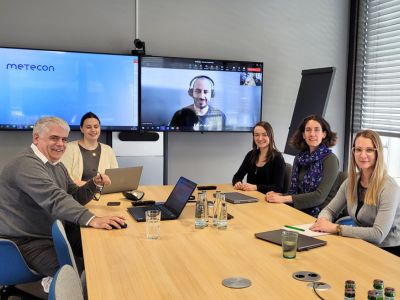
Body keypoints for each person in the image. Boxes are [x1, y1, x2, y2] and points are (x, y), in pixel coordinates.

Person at [0, 116, 126, 279]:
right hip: (24, 242)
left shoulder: (56, 165)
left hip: (50, 233)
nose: (60, 144)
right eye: (54, 138)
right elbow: (55, 198)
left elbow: (73, 196)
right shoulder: (26, 164)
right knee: (81, 274)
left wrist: (93, 184)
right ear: (36, 138)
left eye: (64, 139)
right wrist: (92, 218)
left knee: (102, 253)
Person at [310, 130, 400, 256]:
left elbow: (378, 234)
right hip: (360, 243)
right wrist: (322, 222)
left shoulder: (389, 187)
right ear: (353, 152)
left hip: (387, 251)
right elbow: (329, 210)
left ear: (378, 153)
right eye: (358, 149)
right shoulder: (351, 181)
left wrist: (336, 228)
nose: (363, 155)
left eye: (369, 150)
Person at [265, 115, 339, 217]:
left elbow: (319, 197)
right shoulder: (299, 158)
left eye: (317, 130)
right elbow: (296, 193)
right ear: (303, 135)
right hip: (298, 210)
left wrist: (284, 199)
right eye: (308, 130)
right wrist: (279, 195)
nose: (312, 134)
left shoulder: (331, 159)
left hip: (321, 215)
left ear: (324, 134)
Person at [62, 112, 118, 186]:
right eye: (88, 127)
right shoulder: (69, 148)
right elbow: (64, 178)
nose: (93, 130)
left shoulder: (108, 150)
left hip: (103, 195)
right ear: (81, 129)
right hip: (77, 194)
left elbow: (115, 177)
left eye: (96, 126)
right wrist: (94, 185)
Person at [232, 121, 285, 193]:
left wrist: (256, 187)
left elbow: (278, 188)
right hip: (250, 197)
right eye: (256, 135)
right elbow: (237, 176)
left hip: (267, 200)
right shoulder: (251, 155)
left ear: (270, 136)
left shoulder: (278, 158)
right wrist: (237, 182)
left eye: (264, 135)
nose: (260, 138)